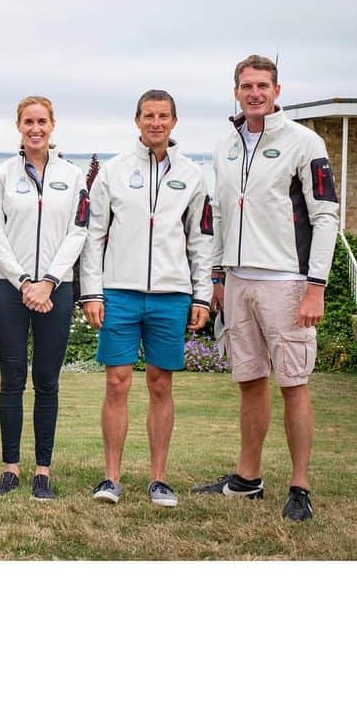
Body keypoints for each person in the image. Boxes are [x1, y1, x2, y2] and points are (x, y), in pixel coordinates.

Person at [193, 55, 339, 521]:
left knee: (293, 384)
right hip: (238, 280)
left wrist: (316, 286)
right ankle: (247, 479)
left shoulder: (304, 142)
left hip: (287, 281)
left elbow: (325, 216)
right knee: (249, 382)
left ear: (277, 91)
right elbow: (218, 213)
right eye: (246, 85)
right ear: (235, 91)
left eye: (263, 85)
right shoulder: (226, 146)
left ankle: (299, 486)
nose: (254, 93)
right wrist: (217, 276)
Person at [80, 89, 213, 508]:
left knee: (160, 384)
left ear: (174, 122)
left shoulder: (193, 175)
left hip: (171, 294)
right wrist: (92, 292)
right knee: (117, 383)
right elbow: (93, 236)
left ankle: (159, 480)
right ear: (136, 120)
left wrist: (202, 296)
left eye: (163, 116)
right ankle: (111, 478)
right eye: (148, 116)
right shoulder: (114, 172)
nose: (156, 123)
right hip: (119, 292)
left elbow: (201, 240)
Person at [0, 96, 89, 500]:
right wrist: (25, 281)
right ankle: (10, 468)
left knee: (47, 381)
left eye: (42, 121)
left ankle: (42, 470)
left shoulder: (73, 176)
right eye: (28, 122)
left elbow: (77, 232)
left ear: (52, 125)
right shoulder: (2, 175)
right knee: (12, 380)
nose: (35, 129)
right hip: (9, 289)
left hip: (55, 291)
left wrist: (48, 282)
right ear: (18, 126)